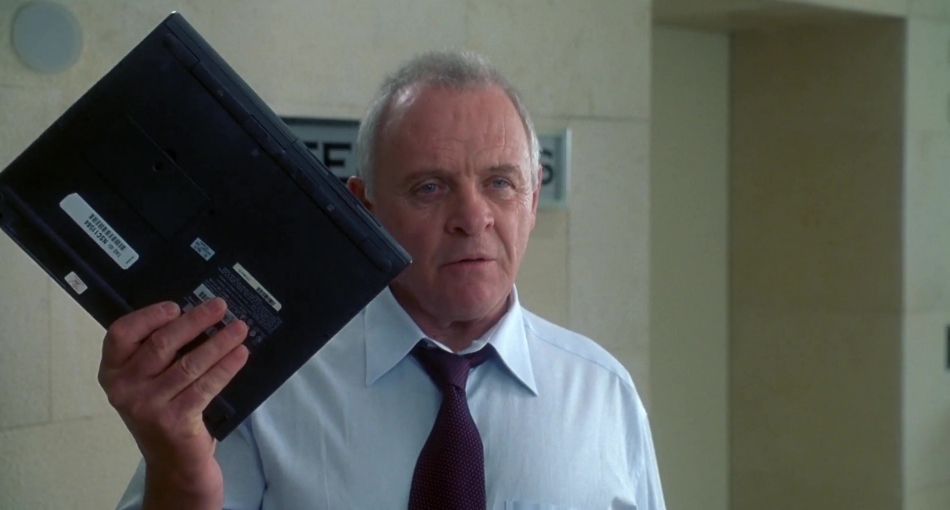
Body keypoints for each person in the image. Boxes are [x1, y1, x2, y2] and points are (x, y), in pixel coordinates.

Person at [106, 50, 666, 510]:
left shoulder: (603, 396)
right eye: (430, 188)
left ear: (534, 199)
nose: (473, 218)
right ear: (364, 210)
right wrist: (177, 474)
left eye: (500, 183)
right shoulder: (265, 387)